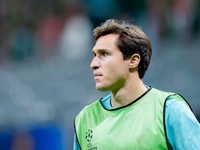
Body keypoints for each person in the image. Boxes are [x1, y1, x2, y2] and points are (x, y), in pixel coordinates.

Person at [73, 19, 200, 149]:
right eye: (95, 55)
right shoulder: (85, 118)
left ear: (133, 60)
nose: (93, 64)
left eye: (104, 54)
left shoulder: (170, 110)